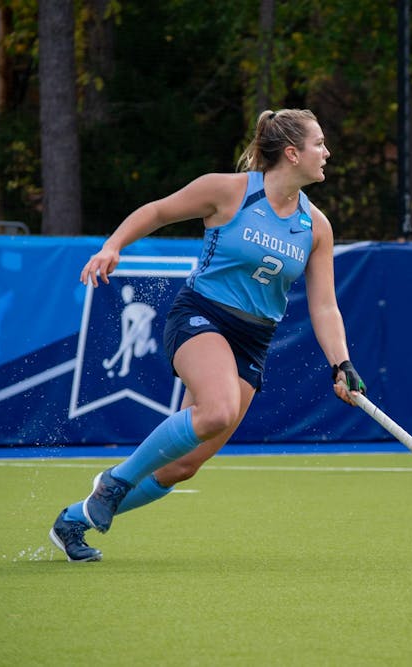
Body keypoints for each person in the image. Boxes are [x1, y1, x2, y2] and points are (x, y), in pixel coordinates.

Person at [49, 109, 367, 561]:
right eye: (320, 144)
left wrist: (342, 364)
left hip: (253, 341)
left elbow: (324, 305)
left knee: (182, 466)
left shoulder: (316, 227)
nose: (327, 153)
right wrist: (112, 245)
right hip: (203, 317)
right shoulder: (229, 191)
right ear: (292, 153)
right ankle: (114, 481)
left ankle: (73, 521)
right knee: (217, 411)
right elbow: (157, 211)